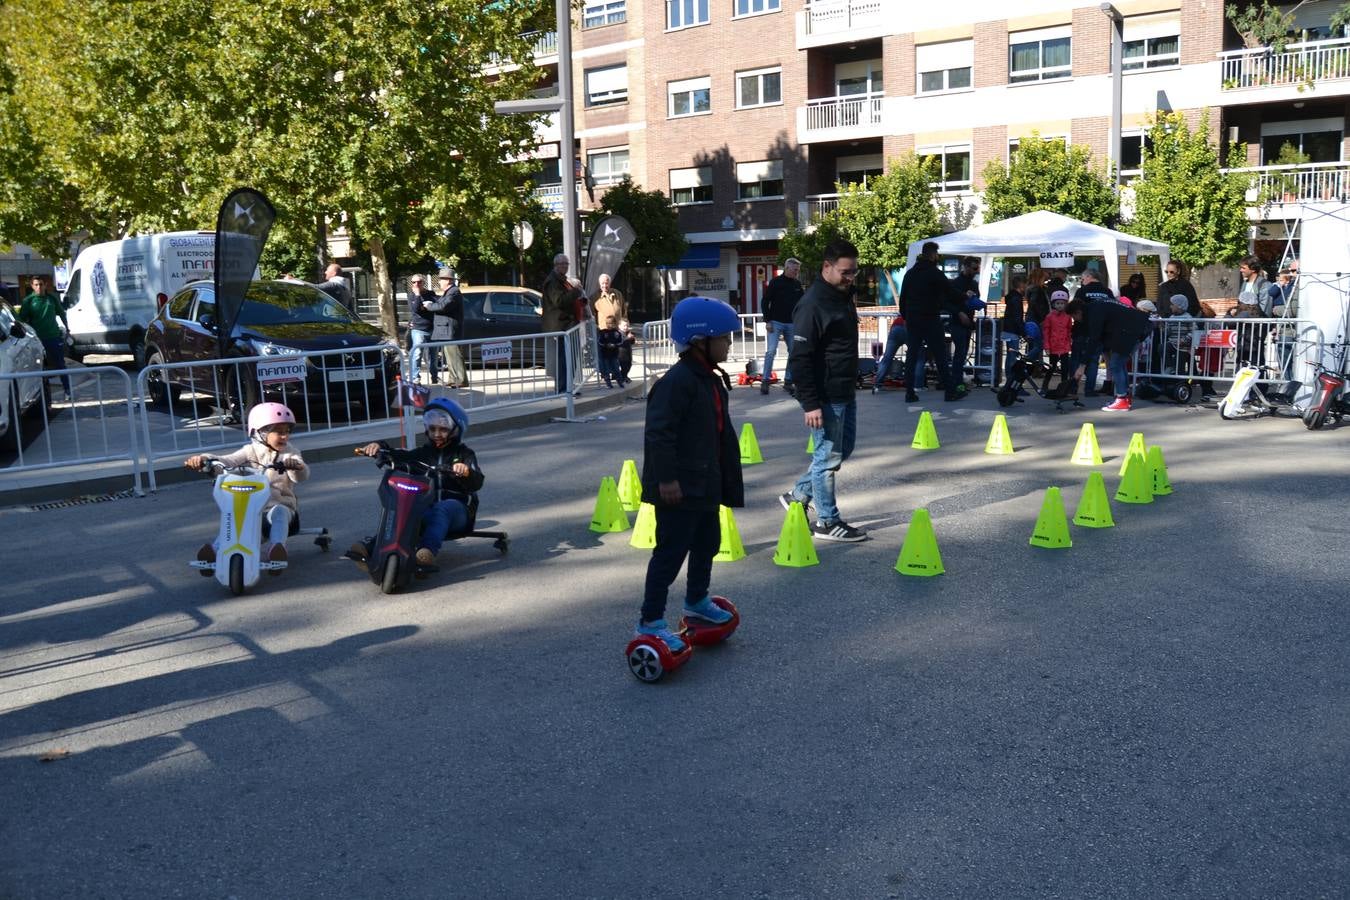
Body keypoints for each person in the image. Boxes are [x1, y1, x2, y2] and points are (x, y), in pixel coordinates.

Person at [635, 296, 743, 653]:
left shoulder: (708, 378)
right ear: (700, 340)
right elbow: (659, 434)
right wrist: (666, 479)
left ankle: (696, 600)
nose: (729, 343)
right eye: (724, 337)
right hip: (678, 488)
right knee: (670, 553)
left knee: (707, 544)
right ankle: (650, 620)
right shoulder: (677, 382)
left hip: (705, 483)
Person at [782, 239, 868, 543]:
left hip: (844, 389)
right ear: (826, 267)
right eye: (845, 272)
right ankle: (827, 520)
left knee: (843, 450)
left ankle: (798, 494)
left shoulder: (841, 296)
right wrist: (810, 404)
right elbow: (800, 357)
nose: (850, 278)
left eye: (854, 272)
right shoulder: (813, 304)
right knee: (827, 458)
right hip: (826, 395)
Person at [355, 397, 484, 567]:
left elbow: (477, 482)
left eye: (443, 429)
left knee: (443, 507)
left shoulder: (465, 454)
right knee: (402, 507)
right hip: (427, 509)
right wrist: (378, 447)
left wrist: (466, 471)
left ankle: (427, 552)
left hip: (457, 512)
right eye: (432, 429)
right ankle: (371, 548)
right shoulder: (422, 454)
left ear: (456, 429)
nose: (437, 434)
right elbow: (397, 455)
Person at [185, 402, 309, 573]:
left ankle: (276, 549)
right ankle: (214, 551)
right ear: (260, 432)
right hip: (252, 511)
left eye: (287, 431)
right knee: (235, 523)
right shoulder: (249, 451)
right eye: (279, 432)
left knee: (279, 511)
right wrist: (205, 459)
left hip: (281, 509)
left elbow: (301, 476)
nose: (285, 436)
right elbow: (227, 461)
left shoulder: (290, 453)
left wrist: (296, 466)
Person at [898, 241, 963, 403]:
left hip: (913, 320)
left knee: (912, 356)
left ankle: (909, 393)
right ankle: (949, 391)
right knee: (940, 355)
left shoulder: (910, 273)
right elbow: (950, 291)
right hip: (930, 319)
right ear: (933, 254)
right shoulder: (934, 272)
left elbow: (903, 298)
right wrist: (966, 296)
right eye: (937, 254)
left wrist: (907, 316)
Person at [1066, 296, 1151, 411]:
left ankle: (1122, 399)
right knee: (1119, 364)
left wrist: (1082, 366)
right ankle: (1124, 397)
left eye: (1073, 317)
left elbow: (1094, 339)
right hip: (1136, 326)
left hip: (1131, 330)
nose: (1075, 320)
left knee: (1115, 364)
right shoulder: (1096, 307)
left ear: (1078, 312)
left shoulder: (1094, 312)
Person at [18, 274, 70, 396]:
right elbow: (22, 321)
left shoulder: (51, 298)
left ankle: (67, 390)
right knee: (37, 367)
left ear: (45, 285)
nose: (39, 287)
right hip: (36, 340)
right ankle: (39, 395)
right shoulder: (28, 301)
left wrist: (67, 329)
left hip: (53, 336)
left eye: (41, 284)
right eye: (36, 285)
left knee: (60, 364)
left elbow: (62, 313)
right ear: (32, 286)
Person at [541, 253, 585, 395]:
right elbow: (559, 301)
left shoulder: (563, 280)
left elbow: (568, 300)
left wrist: (580, 300)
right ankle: (562, 389)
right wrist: (576, 292)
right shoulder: (553, 281)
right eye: (562, 264)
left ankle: (568, 387)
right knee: (563, 360)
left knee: (570, 358)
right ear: (556, 265)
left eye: (566, 264)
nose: (565, 266)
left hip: (569, 325)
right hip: (560, 326)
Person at [760, 257, 804, 395]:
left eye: (798, 270)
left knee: (794, 352)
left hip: (792, 323)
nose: (797, 272)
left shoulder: (797, 284)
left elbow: (803, 303)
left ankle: (788, 381)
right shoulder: (775, 282)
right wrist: (767, 321)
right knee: (771, 351)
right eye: (795, 270)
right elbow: (765, 301)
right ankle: (765, 380)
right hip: (775, 322)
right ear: (787, 268)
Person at [1072, 267, 1116, 396]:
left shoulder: (1082, 291)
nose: (1082, 281)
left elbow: (1075, 308)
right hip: (1100, 332)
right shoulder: (1107, 291)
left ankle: (1073, 387)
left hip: (1081, 330)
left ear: (1089, 277)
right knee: (1093, 361)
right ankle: (1089, 390)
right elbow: (1113, 309)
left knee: (1076, 359)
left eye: (1083, 278)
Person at [946, 256, 981, 392]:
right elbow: (948, 303)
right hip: (957, 322)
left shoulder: (973, 283)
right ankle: (956, 383)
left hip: (967, 322)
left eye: (977, 268)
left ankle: (958, 381)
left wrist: (977, 302)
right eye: (974, 268)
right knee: (960, 353)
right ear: (966, 267)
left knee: (963, 352)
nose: (976, 271)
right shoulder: (955, 283)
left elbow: (976, 299)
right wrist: (959, 313)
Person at [432, 267, 468, 388]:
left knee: (455, 355)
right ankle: (453, 379)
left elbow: (443, 306)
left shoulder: (454, 291)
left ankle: (461, 379)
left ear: (448, 280)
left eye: (441, 279)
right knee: (450, 357)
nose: (440, 282)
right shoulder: (449, 292)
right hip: (447, 330)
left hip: (451, 330)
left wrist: (430, 306)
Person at [593, 272, 632, 381]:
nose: (605, 285)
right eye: (602, 283)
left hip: (619, 330)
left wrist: (625, 324)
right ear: (599, 284)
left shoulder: (617, 294)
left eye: (606, 283)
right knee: (607, 356)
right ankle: (606, 375)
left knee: (624, 355)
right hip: (604, 331)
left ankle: (623, 375)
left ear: (610, 283)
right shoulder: (595, 297)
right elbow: (591, 315)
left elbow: (624, 312)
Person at [405, 274, 440, 384]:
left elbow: (435, 307)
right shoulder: (412, 295)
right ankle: (416, 377)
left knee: (433, 355)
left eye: (419, 282)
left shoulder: (431, 294)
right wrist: (417, 295)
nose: (416, 284)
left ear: (423, 283)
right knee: (417, 354)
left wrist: (425, 306)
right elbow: (415, 309)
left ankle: (434, 376)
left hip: (431, 328)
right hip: (418, 329)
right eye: (414, 282)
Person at [1038, 289, 1073, 398]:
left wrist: (1070, 343)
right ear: (1053, 304)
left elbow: (1069, 330)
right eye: (1057, 303)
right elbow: (1046, 332)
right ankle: (1045, 385)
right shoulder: (1049, 317)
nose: (1060, 306)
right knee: (1052, 367)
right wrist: (1047, 347)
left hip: (1064, 346)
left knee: (1065, 368)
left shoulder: (1068, 316)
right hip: (1053, 346)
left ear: (1065, 304)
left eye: (1062, 303)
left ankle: (1063, 387)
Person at [1000, 273, 1028, 384]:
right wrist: (1023, 332)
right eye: (1025, 284)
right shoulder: (1016, 299)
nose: (1026, 286)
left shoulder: (1012, 297)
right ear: (1021, 285)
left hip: (1008, 329)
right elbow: (1017, 317)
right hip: (1013, 330)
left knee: (1010, 355)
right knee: (1012, 356)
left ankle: (1009, 379)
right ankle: (1011, 381)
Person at [597, 314, 626, 387]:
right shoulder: (603, 332)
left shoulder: (617, 333)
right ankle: (608, 383)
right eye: (607, 323)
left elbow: (621, 341)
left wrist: (615, 345)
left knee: (616, 368)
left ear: (615, 324)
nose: (609, 325)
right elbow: (600, 342)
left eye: (611, 323)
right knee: (606, 369)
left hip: (614, 354)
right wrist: (606, 345)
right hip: (605, 354)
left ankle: (620, 382)